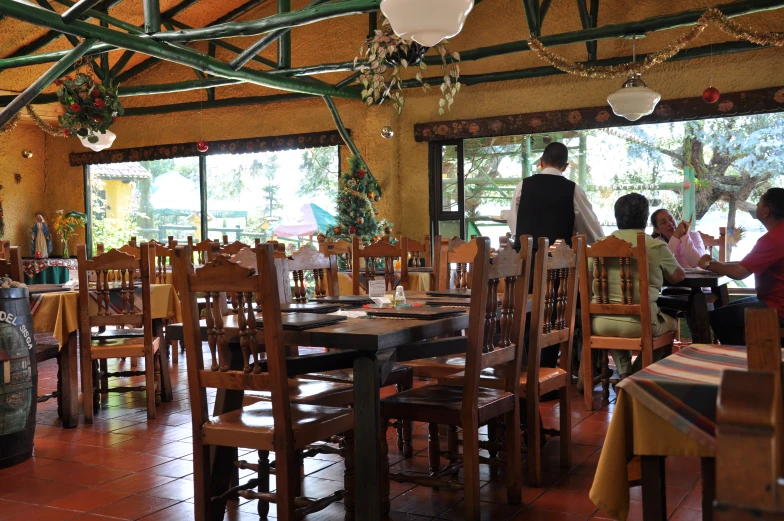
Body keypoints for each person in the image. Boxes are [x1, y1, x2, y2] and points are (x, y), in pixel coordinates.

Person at [591, 193, 685, 379]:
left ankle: (625, 372)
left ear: (617, 217)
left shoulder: (598, 246)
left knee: (615, 324)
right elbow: (678, 277)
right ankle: (635, 377)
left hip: (599, 323)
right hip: (642, 324)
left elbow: (586, 278)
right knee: (672, 325)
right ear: (645, 218)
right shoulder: (654, 245)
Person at [700, 188, 784, 345]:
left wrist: (708, 263)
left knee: (720, 317)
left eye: (759, 202)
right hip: (774, 300)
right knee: (726, 309)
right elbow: (745, 265)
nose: (756, 205)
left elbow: (739, 272)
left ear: (766, 212)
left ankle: (742, 362)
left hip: (779, 308)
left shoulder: (773, 239)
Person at [508, 142, 603, 252]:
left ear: (541, 161)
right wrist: (603, 243)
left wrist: (520, 242)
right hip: (559, 261)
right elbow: (590, 227)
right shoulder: (574, 190)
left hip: (525, 257)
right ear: (565, 166)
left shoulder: (523, 185)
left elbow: (513, 221)